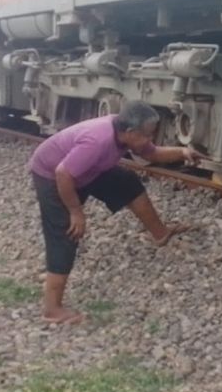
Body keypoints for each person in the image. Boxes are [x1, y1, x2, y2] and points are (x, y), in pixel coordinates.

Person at [29, 101, 203, 326]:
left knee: (127, 182)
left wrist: (182, 151)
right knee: (66, 234)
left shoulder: (124, 133)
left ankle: (161, 233)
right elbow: (63, 174)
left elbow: (152, 154)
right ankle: (52, 309)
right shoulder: (97, 141)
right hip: (52, 176)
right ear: (130, 132)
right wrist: (76, 212)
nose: (150, 140)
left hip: (87, 170)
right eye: (147, 135)